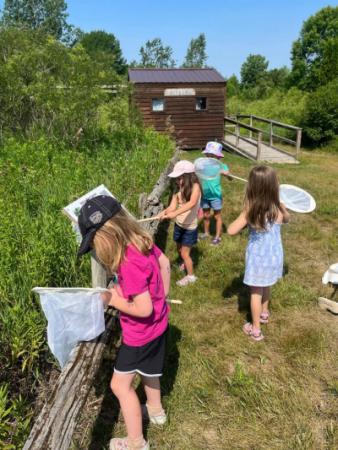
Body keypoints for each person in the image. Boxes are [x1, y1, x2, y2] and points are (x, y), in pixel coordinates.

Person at [77, 195, 170, 450]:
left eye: (94, 243)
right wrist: (163, 297)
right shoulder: (142, 241)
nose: (96, 250)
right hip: (159, 324)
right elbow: (165, 263)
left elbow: (142, 308)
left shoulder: (128, 261)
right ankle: (156, 410)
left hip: (139, 334)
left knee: (119, 385)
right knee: (150, 371)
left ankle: (136, 442)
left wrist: (113, 300)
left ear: (107, 235)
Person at [227, 166, 290, 341]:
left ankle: (256, 329)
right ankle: (264, 313)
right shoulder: (276, 207)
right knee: (267, 285)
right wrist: (283, 208)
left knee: (256, 291)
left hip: (258, 259)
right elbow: (287, 219)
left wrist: (244, 215)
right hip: (275, 256)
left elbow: (231, 230)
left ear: (252, 187)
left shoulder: (251, 210)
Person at [159, 160, 201, 287]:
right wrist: (164, 212)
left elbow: (192, 203)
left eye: (179, 178)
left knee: (184, 253)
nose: (177, 181)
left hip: (189, 228)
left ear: (188, 177)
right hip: (179, 225)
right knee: (179, 248)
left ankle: (191, 276)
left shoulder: (196, 187)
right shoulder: (178, 189)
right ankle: (184, 262)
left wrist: (175, 213)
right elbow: (172, 206)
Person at [199, 141, 230, 246]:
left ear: (218, 157)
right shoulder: (203, 165)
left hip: (215, 196)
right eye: (209, 155)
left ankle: (217, 237)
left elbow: (230, 178)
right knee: (206, 215)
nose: (210, 157)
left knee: (217, 216)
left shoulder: (222, 166)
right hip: (204, 194)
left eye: (213, 156)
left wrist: (226, 173)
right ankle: (206, 233)